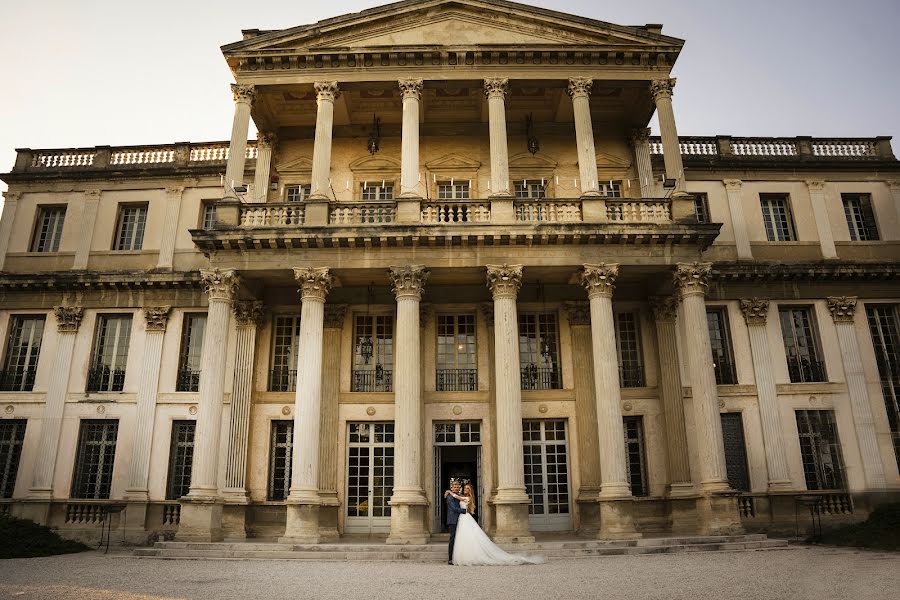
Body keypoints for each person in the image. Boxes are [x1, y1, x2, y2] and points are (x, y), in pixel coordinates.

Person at [445, 485, 545, 566]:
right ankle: (461, 556)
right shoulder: (461, 497)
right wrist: (452, 494)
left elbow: (458, 498)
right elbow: (456, 501)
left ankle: (466, 556)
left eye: (467, 488)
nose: (464, 489)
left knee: (467, 537)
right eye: (464, 488)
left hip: (464, 517)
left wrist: (450, 492)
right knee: (463, 537)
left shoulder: (467, 497)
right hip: (462, 518)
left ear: (470, 491)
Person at [445, 479, 467, 565]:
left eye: (458, 487)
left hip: (460, 520)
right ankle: (450, 559)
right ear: (452, 487)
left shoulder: (456, 496)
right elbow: (454, 508)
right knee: (452, 538)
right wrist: (465, 511)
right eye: (455, 487)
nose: (456, 488)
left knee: (459, 539)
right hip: (453, 520)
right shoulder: (450, 497)